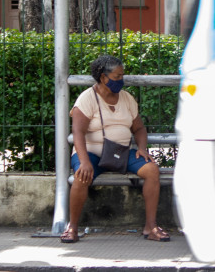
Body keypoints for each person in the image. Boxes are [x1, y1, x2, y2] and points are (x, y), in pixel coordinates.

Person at [60, 55, 170, 243]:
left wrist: (142, 148)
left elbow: (139, 128)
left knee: (151, 170)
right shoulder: (87, 99)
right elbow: (78, 133)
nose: (122, 80)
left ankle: (151, 226)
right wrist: (84, 161)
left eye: (122, 76)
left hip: (121, 152)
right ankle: (73, 227)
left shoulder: (126, 98)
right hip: (92, 153)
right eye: (118, 76)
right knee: (81, 175)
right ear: (103, 78)